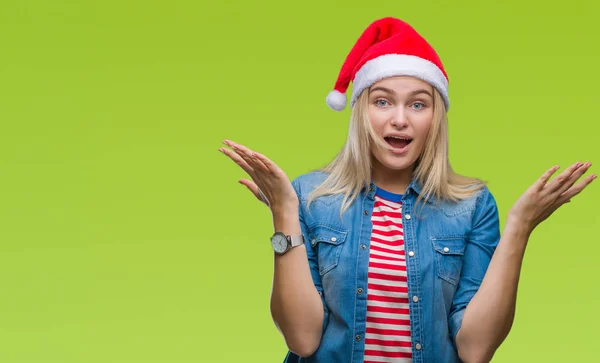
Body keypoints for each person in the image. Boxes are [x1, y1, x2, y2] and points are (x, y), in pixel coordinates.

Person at [218, 17, 595, 363]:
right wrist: (284, 212)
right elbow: (301, 339)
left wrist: (520, 226)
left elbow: (476, 347)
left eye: (418, 104)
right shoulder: (311, 197)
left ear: (436, 117)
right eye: (382, 101)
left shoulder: (472, 207)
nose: (400, 119)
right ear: (361, 111)